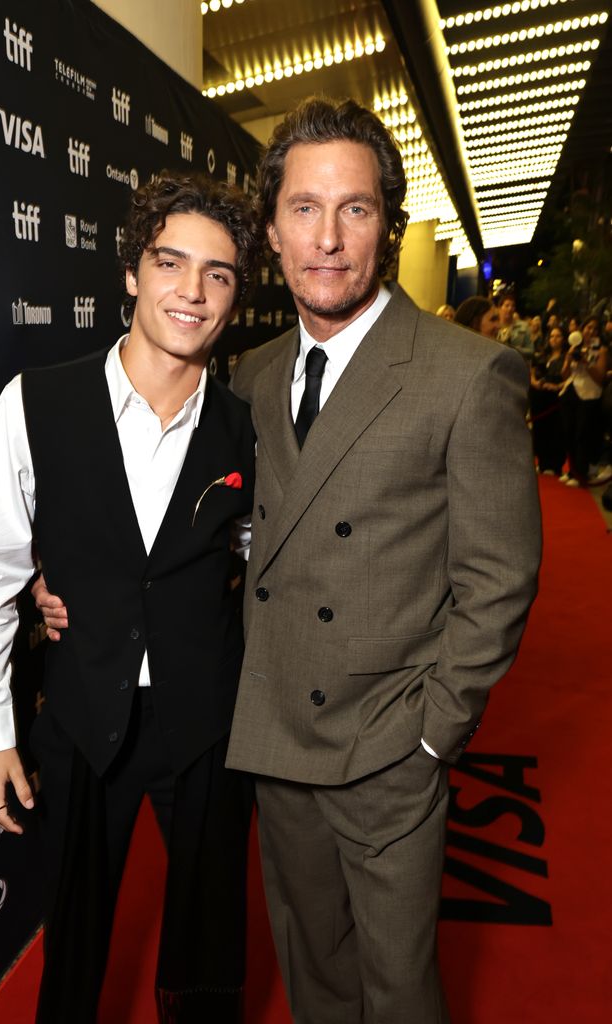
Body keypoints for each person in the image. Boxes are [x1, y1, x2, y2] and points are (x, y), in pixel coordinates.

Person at [38, 97, 542, 1023]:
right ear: (271, 230)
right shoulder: (251, 376)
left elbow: (499, 580)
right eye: (304, 209)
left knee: (398, 994)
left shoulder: (464, 374)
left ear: (386, 225)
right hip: (271, 739)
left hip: (390, 748)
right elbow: (191, 533)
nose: (329, 238)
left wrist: (434, 733)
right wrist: (68, 582)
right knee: (314, 977)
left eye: (355, 208)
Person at [0, 172, 259, 1023]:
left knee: (209, 961)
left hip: (210, 728)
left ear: (235, 295)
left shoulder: (249, 426)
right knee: (71, 962)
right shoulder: (36, 402)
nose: (191, 292)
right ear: (131, 273)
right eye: (169, 263)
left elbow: (266, 560)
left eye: (218, 274)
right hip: (82, 720)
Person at [559, 316, 608, 487]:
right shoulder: (575, 347)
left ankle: (581, 473)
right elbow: (564, 374)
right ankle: (572, 470)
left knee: (582, 435)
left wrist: (586, 362)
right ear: (582, 328)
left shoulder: (600, 350)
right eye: (588, 327)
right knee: (568, 432)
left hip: (589, 395)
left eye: (595, 329)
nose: (591, 331)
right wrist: (568, 358)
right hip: (571, 391)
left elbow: (600, 377)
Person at [530, 324, 567, 475]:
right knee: (539, 429)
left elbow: (570, 377)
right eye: (552, 336)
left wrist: (557, 386)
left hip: (555, 398)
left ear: (563, 339)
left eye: (558, 336)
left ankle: (554, 464)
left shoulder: (566, 356)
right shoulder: (542, 354)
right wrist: (534, 382)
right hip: (538, 395)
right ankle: (543, 462)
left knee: (554, 431)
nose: (554, 339)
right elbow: (531, 371)